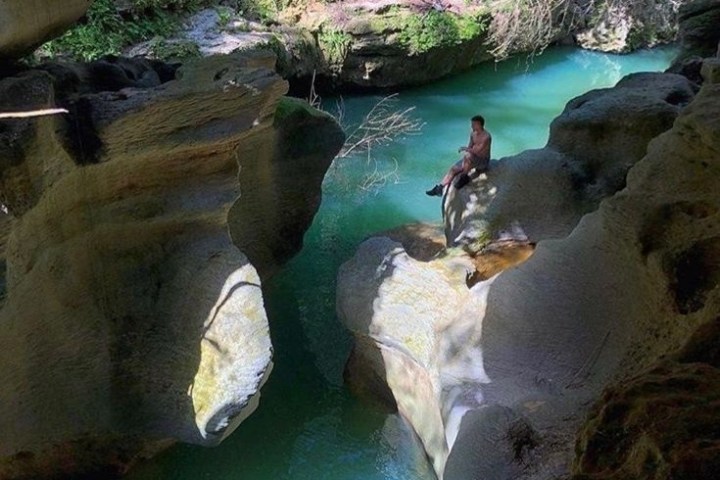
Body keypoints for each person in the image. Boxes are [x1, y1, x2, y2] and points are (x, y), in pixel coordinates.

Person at [426, 115, 492, 196]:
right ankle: (439, 188)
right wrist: (466, 155)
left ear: (479, 124)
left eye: (473, 124)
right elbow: (470, 147)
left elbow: (477, 151)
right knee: (454, 169)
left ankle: (464, 177)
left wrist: (465, 150)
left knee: (468, 157)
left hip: (482, 161)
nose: (471, 126)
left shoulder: (486, 137)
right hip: (472, 159)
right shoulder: (473, 134)